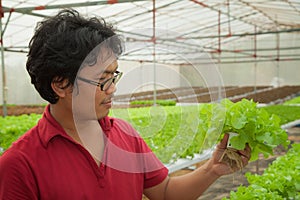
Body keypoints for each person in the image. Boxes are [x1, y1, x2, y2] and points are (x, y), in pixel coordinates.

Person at [0, 9, 251, 200]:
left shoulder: (125, 135)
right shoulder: (20, 164)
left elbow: (164, 192)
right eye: (102, 80)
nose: (113, 89)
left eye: (114, 75)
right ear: (61, 85)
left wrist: (212, 170)